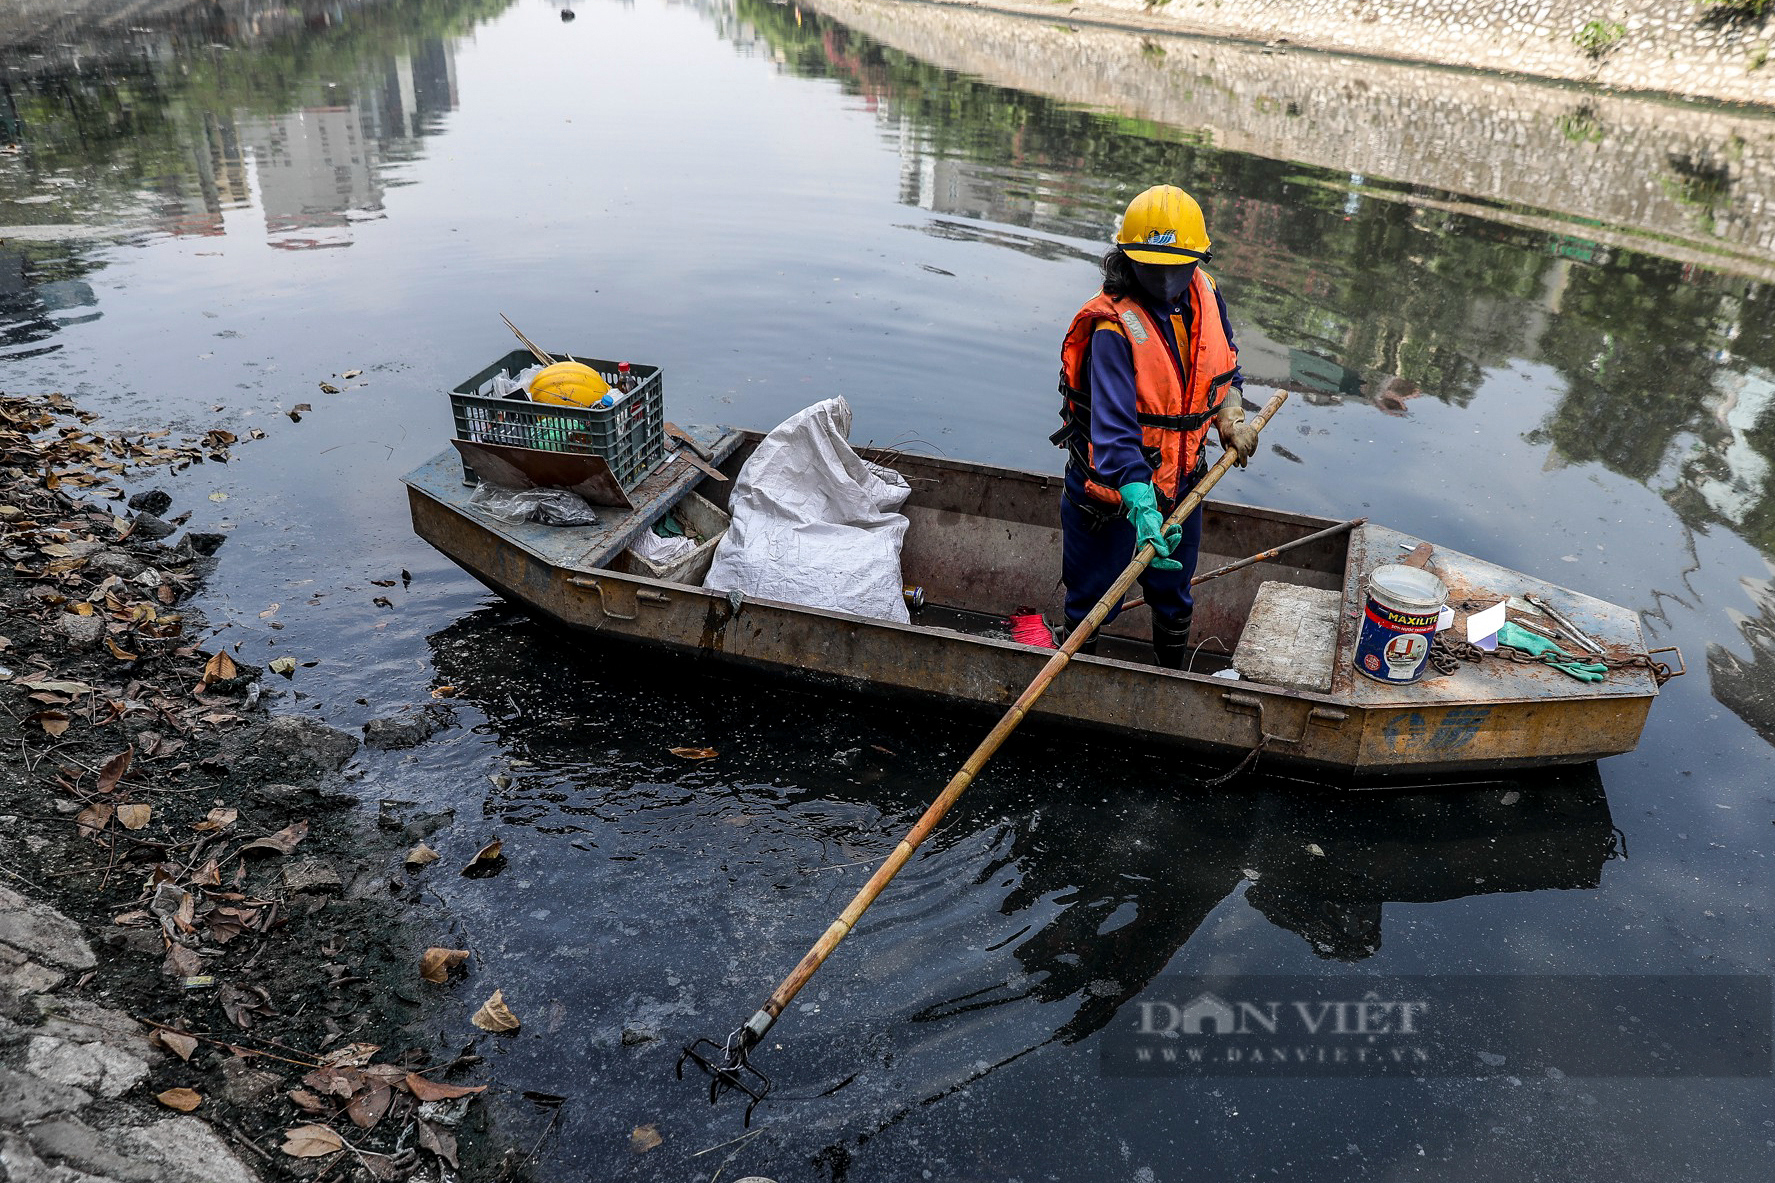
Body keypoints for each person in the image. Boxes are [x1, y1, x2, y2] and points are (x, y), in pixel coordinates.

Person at [1053, 184, 1258, 668]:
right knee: (1091, 603)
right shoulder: (1113, 328)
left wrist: (1231, 414)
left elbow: (1224, 367)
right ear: (1128, 258)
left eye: (1178, 266)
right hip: (1111, 497)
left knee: (1174, 595)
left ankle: (1170, 677)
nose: (1167, 277)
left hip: (1183, 487)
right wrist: (1140, 505)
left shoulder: (1206, 293)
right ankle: (1076, 685)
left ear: (1197, 260)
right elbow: (1114, 429)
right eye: (1153, 265)